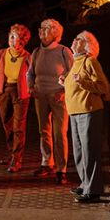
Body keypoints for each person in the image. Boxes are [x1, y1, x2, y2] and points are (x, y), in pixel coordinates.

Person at [62, 31, 110, 203]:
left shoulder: (90, 61)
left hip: (89, 111)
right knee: (79, 152)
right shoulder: (75, 62)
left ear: (87, 44)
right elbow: (75, 83)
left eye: (78, 39)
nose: (74, 41)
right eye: (75, 38)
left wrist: (82, 83)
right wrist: (65, 82)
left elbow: (102, 86)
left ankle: (94, 190)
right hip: (74, 112)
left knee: (90, 151)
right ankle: (85, 184)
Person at [27, 19, 74, 184]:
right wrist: (31, 87)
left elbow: (73, 73)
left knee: (59, 133)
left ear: (54, 34)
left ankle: (62, 170)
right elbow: (30, 72)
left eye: (45, 30)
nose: (41, 32)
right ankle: (47, 163)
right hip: (41, 96)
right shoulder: (36, 52)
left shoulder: (63, 52)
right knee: (43, 131)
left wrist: (64, 90)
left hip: (58, 96)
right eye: (41, 29)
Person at [0, 24, 32, 173]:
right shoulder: (1, 54)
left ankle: (17, 159)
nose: (14, 42)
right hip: (4, 91)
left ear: (23, 42)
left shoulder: (28, 57)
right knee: (6, 124)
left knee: (18, 127)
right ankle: (11, 153)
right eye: (12, 37)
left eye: (18, 40)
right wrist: (2, 85)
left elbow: (31, 76)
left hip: (21, 93)